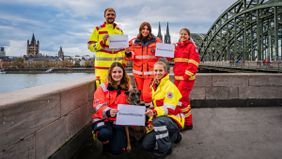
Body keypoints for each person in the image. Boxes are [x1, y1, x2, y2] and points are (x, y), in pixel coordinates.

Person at [142, 61, 184, 159]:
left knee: (157, 122)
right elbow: (155, 104)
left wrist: (154, 112)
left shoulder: (169, 87)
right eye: (155, 70)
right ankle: (175, 136)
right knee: (146, 145)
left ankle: (165, 148)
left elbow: (169, 108)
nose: (157, 73)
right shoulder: (155, 85)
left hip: (174, 118)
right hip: (163, 118)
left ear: (165, 71)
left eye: (160, 70)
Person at [92, 62, 130, 155]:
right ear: (110, 73)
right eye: (114, 72)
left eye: (119, 72)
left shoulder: (127, 87)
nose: (117, 74)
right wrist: (108, 111)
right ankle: (101, 139)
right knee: (105, 134)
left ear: (123, 73)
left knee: (117, 151)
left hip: (118, 121)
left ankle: (113, 140)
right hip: (103, 119)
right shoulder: (102, 88)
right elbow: (98, 105)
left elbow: (130, 105)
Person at [88, 8, 126, 87]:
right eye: (108, 14)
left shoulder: (120, 31)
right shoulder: (98, 29)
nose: (110, 16)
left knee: (116, 94)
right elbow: (90, 47)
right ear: (104, 16)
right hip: (102, 70)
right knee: (103, 94)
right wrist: (101, 43)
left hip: (116, 70)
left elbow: (123, 51)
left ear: (115, 16)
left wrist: (123, 64)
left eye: (112, 14)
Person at [125, 22, 161, 105]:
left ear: (150, 30)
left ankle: (150, 113)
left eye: (147, 29)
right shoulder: (134, 41)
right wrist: (128, 53)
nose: (145, 31)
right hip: (138, 74)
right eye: (143, 29)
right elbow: (129, 56)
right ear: (140, 30)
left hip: (151, 74)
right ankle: (142, 114)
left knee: (147, 95)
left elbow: (163, 54)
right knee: (140, 96)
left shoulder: (156, 41)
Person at [174, 28, 200, 130]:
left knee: (181, 99)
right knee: (183, 99)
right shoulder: (177, 47)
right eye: (181, 34)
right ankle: (183, 120)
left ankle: (188, 123)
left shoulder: (192, 47)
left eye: (185, 34)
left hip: (186, 79)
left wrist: (186, 76)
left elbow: (194, 63)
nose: (183, 36)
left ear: (188, 36)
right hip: (177, 78)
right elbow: (171, 58)